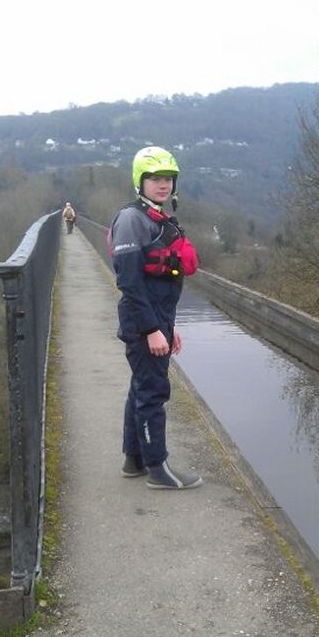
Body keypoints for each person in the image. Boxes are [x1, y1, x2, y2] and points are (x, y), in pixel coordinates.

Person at [109, 146, 202, 490]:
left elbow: (161, 283)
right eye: (155, 179)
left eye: (168, 179)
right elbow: (130, 282)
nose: (163, 185)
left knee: (140, 388)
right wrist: (151, 330)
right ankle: (158, 468)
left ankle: (133, 460)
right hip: (142, 322)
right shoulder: (133, 220)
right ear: (141, 181)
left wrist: (168, 327)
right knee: (153, 392)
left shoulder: (156, 216)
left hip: (156, 318)